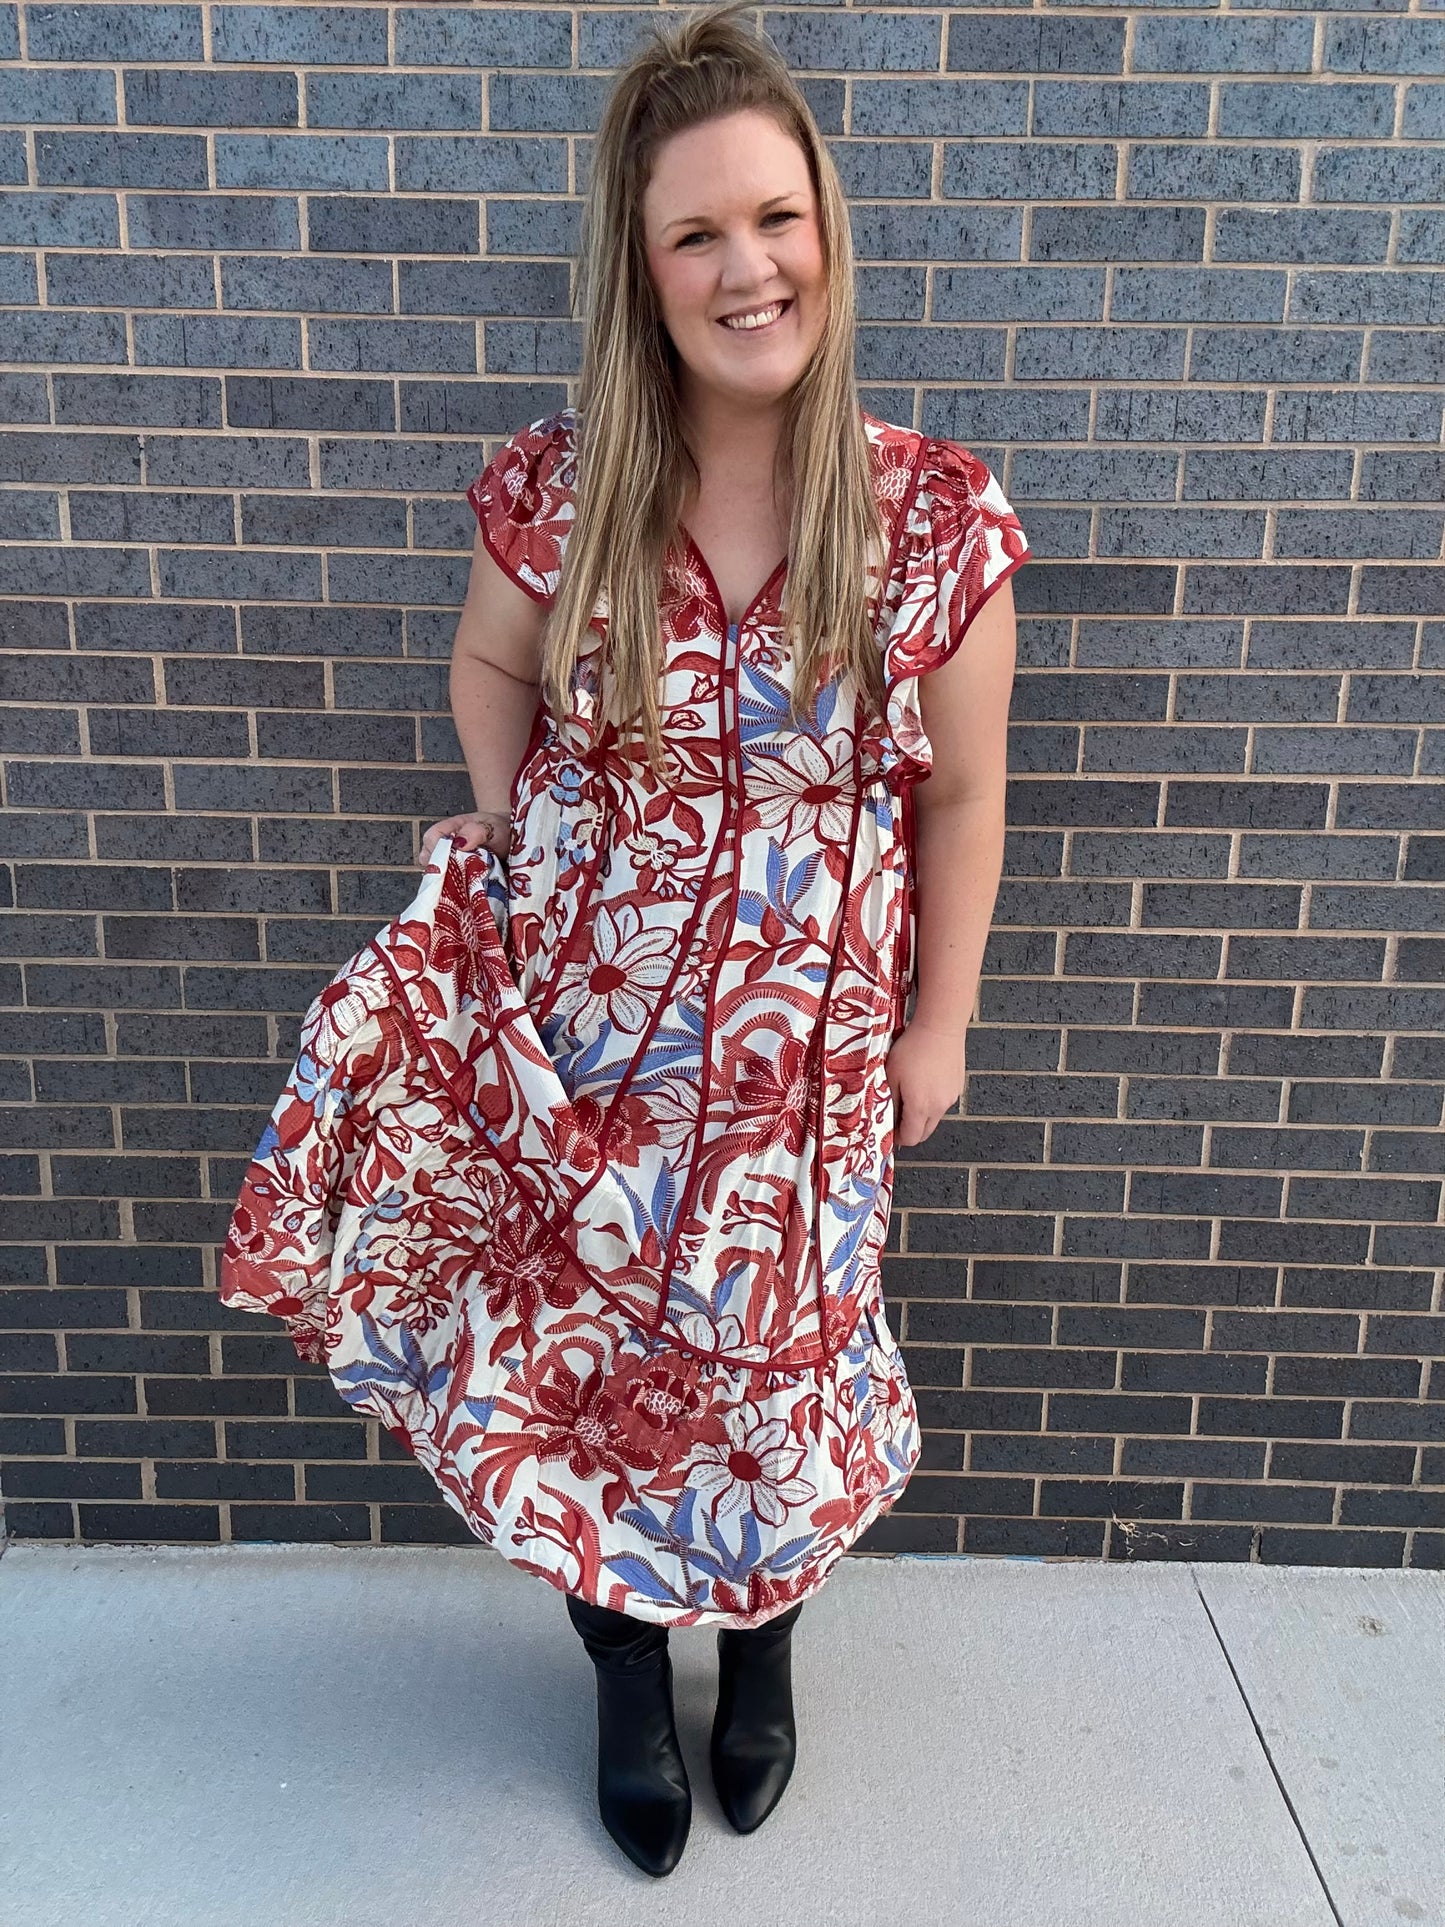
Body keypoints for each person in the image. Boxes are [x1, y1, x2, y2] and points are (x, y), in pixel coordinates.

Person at [220, 0, 1027, 1882]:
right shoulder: (560, 489)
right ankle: (613, 1671)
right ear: (642, 268)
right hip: (580, 1049)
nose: (748, 267)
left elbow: (966, 796)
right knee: (588, 1383)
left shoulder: (928, 515)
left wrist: (941, 1026)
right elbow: (490, 664)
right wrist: (516, 848)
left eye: (775, 218)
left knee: (773, 1372)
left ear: (824, 226)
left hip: (812, 1062)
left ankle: (757, 1664)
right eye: (697, 234)